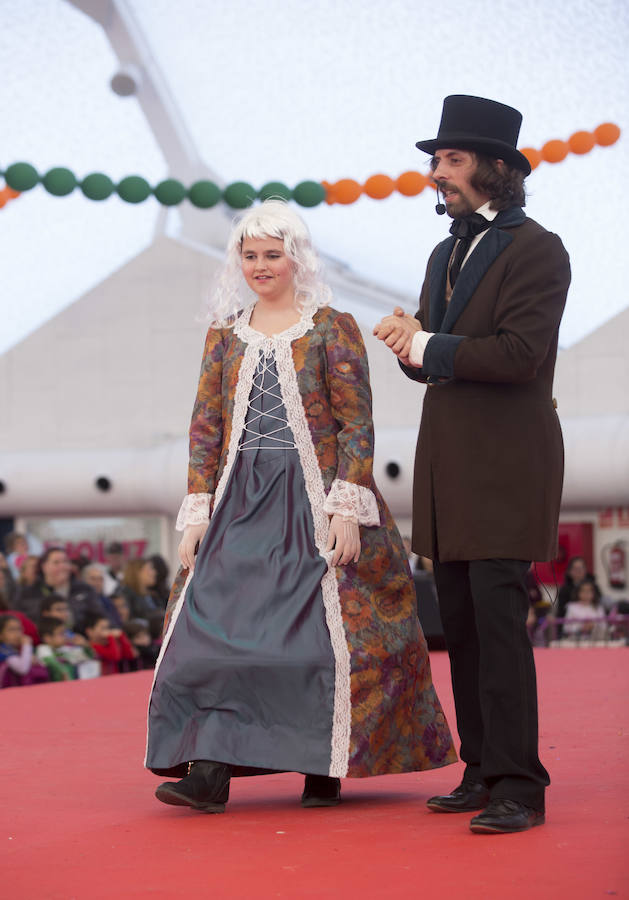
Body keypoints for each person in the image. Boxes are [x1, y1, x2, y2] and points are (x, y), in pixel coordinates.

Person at [145, 199, 456, 813]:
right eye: (250, 255)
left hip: (312, 496)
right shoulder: (224, 335)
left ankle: (323, 763)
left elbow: (355, 423)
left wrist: (347, 504)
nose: (260, 265)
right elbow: (206, 426)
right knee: (206, 631)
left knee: (321, 638)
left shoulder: (329, 327)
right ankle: (209, 769)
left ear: (295, 258)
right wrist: (197, 508)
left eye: (272, 254)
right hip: (239, 501)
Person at [374, 95, 571, 834]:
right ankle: (482, 768)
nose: (437, 174)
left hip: (505, 465)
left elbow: (519, 356)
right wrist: (408, 342)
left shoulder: (537, 248)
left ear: (496, 167)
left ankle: (521, 784)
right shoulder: (443, 250)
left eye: (451, 161)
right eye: (435, 161)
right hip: (447, 464)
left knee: (498, 624)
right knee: (458, 622)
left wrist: (427, 345)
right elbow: (433, 366)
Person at [17, 547, 104, 631]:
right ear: (44, 566)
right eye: (56, 562)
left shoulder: (84, 589)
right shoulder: (28, 593)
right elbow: (21, 621)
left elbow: (99, 618)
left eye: (65, 562)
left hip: (81, 640)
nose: (62, 566)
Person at [0, 614, 49, 688]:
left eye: (19, 629)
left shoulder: (17, 649)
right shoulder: (4, 650)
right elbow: (22, 669)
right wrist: (27, 645)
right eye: (12, 630)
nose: (17, 634)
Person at [563, 578, 608, 642]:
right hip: (576, 640)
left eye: (589, 591)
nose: (586, 593)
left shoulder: (598, 608)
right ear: (578, 592)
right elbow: (566, 627)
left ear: (593, 593)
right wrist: (581, 628)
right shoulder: (572, 607)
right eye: (583, 591)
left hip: (596, 640)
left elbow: (604, 626)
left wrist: (593, 626)